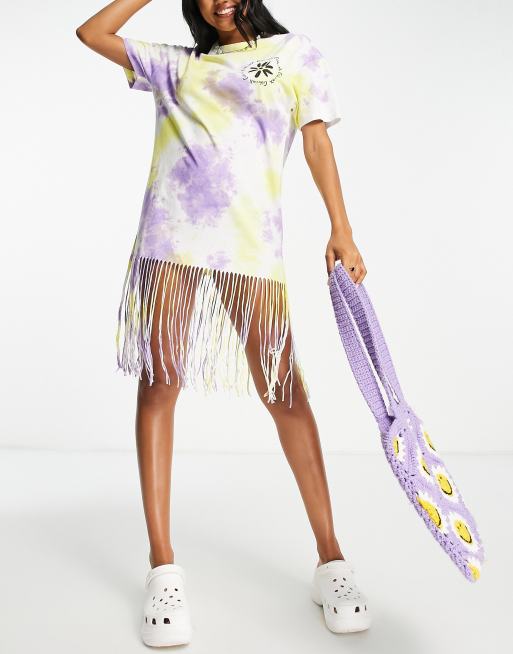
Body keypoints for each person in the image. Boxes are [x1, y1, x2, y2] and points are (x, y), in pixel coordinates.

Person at [76, 0, 370, 646]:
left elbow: (315, 139)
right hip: (170, 244)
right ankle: (162, 567)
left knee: (285, 393)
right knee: (159, 387)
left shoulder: (293, 54)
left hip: (248, 249)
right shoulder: (175, 67)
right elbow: (92, 32)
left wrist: (341, 229)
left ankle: (331, 559)